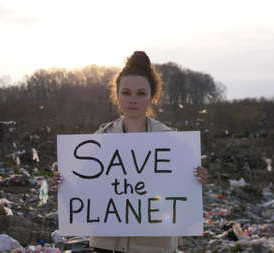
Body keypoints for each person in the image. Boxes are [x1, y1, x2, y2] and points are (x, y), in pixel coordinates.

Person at [52, 51, 207, 253]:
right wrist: (63, 184)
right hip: (106, 244)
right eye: (126, 93)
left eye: (141, 93)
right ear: (117, 95)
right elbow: (83, 193)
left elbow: (184, 200)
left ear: (152, 96)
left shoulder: (171, 141)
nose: (133, 99)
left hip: (154, 247)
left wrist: (197, 181)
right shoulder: (101, 138)